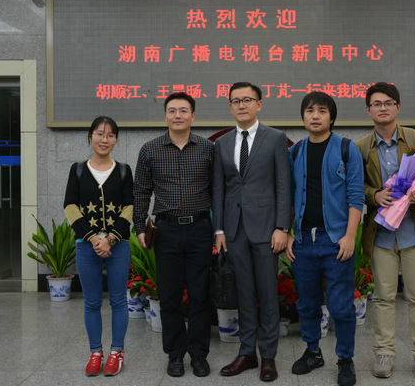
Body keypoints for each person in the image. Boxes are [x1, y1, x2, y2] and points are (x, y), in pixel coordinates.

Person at [356, 82, 415, 381]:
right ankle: (384, 352)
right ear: (368, 110)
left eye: (388, 103)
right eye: (376, 104)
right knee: (383, 297)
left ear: (398, 107)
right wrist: (374, 195)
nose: (382, 108)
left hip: (414, 232)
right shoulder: (360, 148)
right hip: (382, 234)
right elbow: (356, 187)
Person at [213, 82, 291, 382]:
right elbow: (219, 189)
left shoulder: (275, 138)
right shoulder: (222, 143)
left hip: (267, 229)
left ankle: (268, 356)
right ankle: (247, 353)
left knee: (268, 294)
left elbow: (284, 185)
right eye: (236, 101)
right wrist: (220, 229)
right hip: (234, 230)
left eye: (247, 100)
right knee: (243, 293)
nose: (241, 105)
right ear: (230, 106)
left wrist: (282, 227)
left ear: (259, 104)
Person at [133, 92, 214, 378]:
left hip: (200, 229)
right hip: (165, 230)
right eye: (172, 110)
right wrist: (139, 226)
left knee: (200, 295)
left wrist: (219, 230)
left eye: (183, 110)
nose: (177, 115)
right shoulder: (150, 149)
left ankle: (199, 355)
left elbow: (218, 191)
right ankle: (175, 354)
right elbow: (141, 191)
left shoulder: (208, 149)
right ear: (165, 115)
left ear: (193, 116)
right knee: (169, 296)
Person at [286, 92, 364, 386]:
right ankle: (313, 352)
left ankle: (345, 359)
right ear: (303, 117)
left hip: (336, 241)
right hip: (303, 241)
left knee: (341, 306)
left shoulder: (346, 148)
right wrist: (289, 232)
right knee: (307, 303)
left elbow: (356, 195)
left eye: (321, 110)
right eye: (309, 110)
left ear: (331, 117)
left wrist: (350, 236)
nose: (315, 115)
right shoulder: (295, 152)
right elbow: (290, 196)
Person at [63, 116, 134, 377]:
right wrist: (94, 238)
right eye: (100, 134)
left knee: (118, 301)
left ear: (116, 140)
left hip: (118, 245)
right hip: (87, 245)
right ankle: (96, 353)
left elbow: (129, 207)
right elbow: (70, 206)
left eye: (111, 135)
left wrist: (110, 238)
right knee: (91, 302)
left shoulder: (124, 170)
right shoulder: (78, 170)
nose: (105, 139)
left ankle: (116, 352)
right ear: (90, 136)